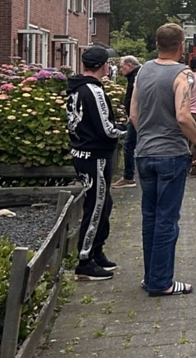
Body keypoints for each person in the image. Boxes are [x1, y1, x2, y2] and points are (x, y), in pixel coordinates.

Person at [132, 23, 196, 296]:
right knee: (167, 219)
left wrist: (147, 137)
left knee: (150, 218)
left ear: (156, 44)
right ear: (181, 46)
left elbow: (133, 115)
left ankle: (150, 276)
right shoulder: (183, 74)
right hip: (171, 155)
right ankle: (162, 282)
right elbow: (183, 116)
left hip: (144, 153)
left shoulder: (142, 71)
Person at [68, 46, 128, 281]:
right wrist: (125, 129)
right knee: (96, 206)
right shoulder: (94, 90)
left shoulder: (76, 88)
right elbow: (106, 128)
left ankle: (96, 251)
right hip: (95, 156)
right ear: (103, 66)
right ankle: (85, 260)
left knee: (104, 203)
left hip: (81, 153)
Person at [111, 55, 142, 189]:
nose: (120, 69)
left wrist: (132, 114)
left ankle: (129, 177)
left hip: (136, 116)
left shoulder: (136, 77)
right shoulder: (136, 75)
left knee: (129, 146)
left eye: (122, 67)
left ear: (129, 66)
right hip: (134, 115)